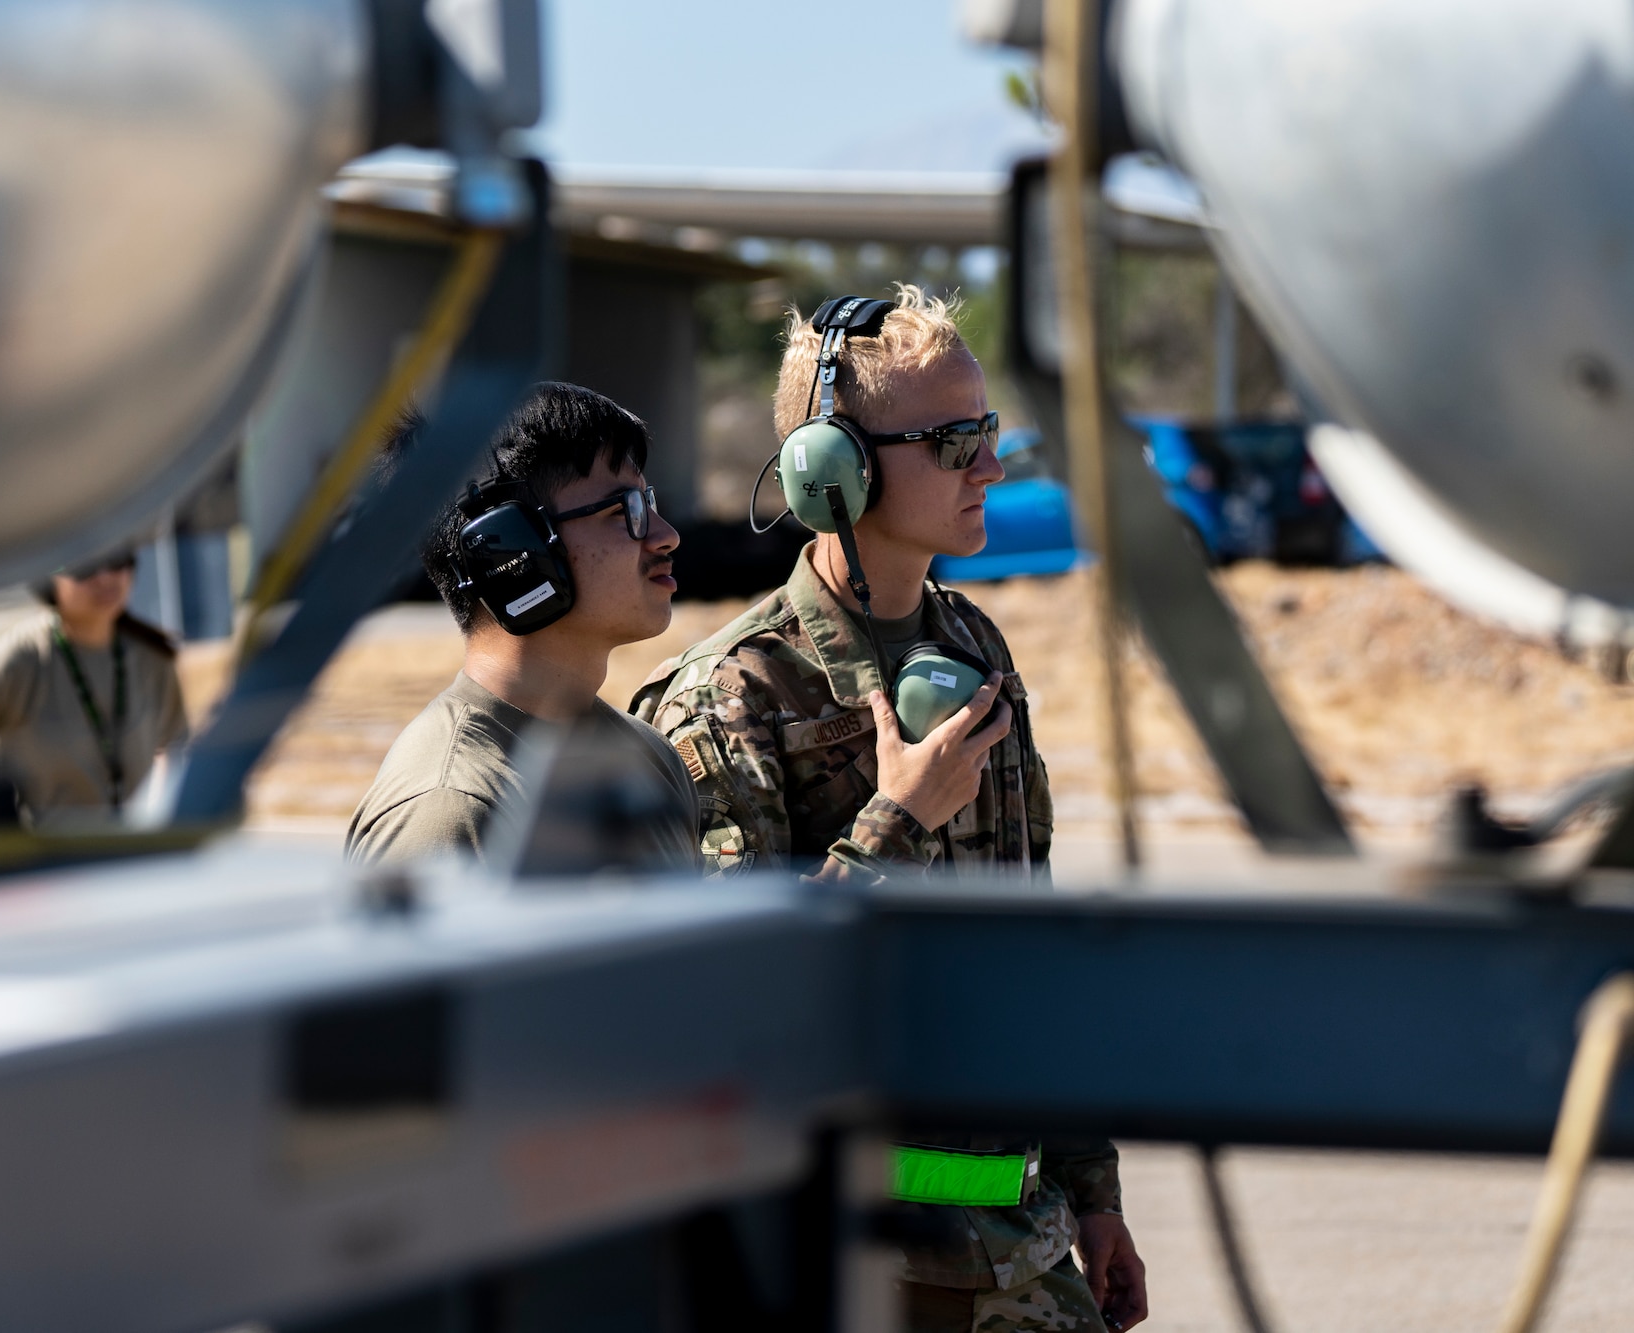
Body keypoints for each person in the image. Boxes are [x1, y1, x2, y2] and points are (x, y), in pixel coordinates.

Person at [632, 287, 1148, 1332]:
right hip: (849, 1260)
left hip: (1017, 1236)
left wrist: (1092, 1194)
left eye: (988, 434)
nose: (989, 468)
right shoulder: (731, 696)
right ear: (836, 471)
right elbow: (741, 1004)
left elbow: (1027, 938)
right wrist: (894, 821)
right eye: (954, 442)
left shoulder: (972, 650)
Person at [346, 383, 698, 868]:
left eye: (649, 502)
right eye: (624, 512)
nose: (666, 536)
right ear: (514, 551)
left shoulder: (652, 760)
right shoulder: (451, 808)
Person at [0, 549, 190, 833]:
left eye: (119, 560)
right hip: (49, 882)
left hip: (139, 871)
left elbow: (179, 759)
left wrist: (158, 826)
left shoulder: (153, 660)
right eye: (85, 566)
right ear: (48, 577)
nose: (106, 577)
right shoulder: (23, 661)